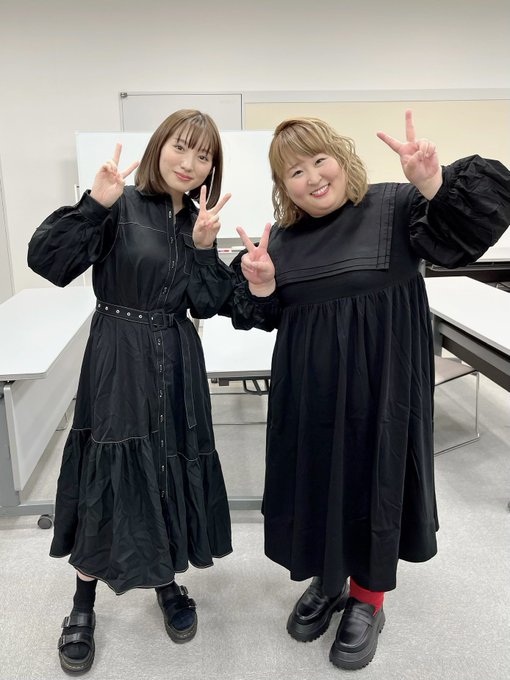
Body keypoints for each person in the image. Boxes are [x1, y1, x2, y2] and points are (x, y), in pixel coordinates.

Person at [225, 110, 510, 671]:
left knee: (374, 481)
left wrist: (433, 182)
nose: (312, 177)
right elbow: (260, 315)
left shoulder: (396, 207)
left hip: (383, 389)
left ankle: (367, 598)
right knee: (317, 479)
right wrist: (262, 285)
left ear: (341, 158)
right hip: (309, 395)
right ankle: (328, 579)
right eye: (294, 172)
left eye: (319, 160)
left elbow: (469, 234)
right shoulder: (281, 240)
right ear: (283, 186)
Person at [27, 109, 235, 674]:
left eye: (203, 156)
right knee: (111, 469)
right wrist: (93, 206)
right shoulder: (120, 203)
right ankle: (82, 603)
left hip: (177, 356)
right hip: (119, 354)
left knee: (166, 463)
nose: (189, 163)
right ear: (158, 145)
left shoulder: (197, 219)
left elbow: (207, 303)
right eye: (181, 147)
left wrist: (204, 247)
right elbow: (48, 261)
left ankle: (165, 579)